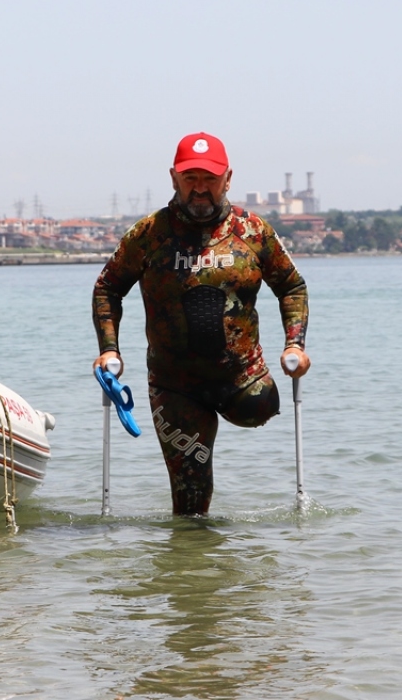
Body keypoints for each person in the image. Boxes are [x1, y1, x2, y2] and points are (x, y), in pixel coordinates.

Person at [92, 131, 311, 516]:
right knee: (191, 499)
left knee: (261, 407)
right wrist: (109, 349)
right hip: (174, 385)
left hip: (242, 379)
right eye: (190, 179)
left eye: (209, 179)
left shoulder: (253, 232)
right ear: (174, 178)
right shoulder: (148, 235)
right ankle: (192, 569)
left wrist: (295, 345)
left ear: (227, 179)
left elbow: (291, 285)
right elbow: (108, 287)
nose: (200, 189)